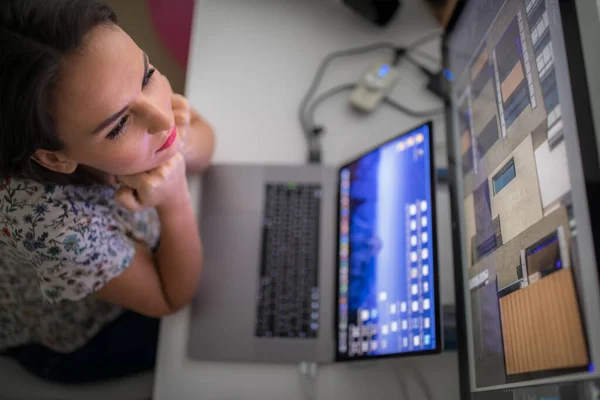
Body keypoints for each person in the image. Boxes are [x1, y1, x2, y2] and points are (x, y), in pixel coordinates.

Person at [0, 0, 215, 383]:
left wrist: (182, 147)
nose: (162, 117)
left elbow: (201, 135)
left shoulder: (127, 96)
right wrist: (176, 195)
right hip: (79, 335)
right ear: (54, 158)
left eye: (147, 74)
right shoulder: (56, 231)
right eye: (118, 127)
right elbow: (171, 298)